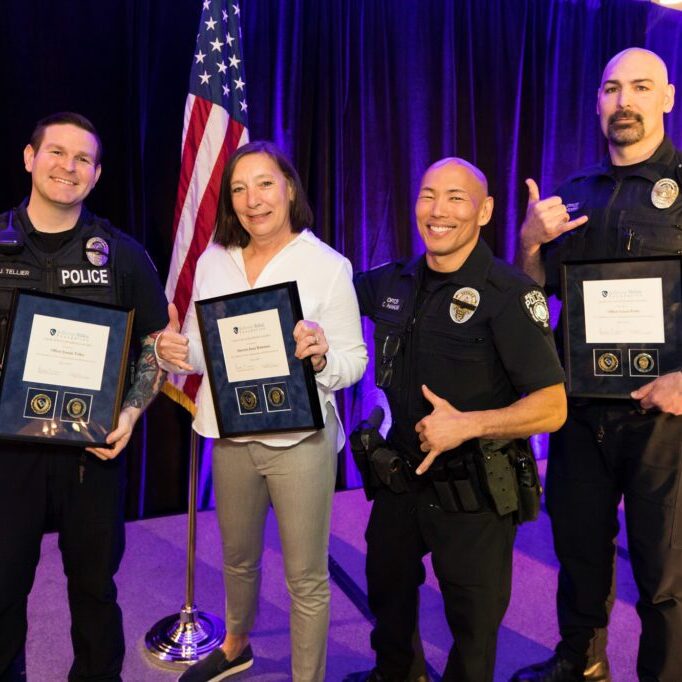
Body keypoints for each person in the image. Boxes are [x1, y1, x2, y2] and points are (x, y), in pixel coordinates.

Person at [348, 157, 567, 682]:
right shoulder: (391, 281)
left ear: (485, 211)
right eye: (428, 195)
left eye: (456, 198)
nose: (438, 210)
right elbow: (324, 297)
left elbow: (553, 407)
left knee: (472, 629)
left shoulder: (510, 295)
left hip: (473, 495)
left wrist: (467, 424)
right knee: (388, 595)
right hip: (400, 481)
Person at [155, 140, 367, 682]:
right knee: (238, 557)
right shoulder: (213, 260)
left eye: (265, 184)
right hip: (231, 435)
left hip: (299, 441)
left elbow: (354, 362)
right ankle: (235, 645)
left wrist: (320, 357)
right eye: (239, 189)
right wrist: (176, 349)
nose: (253, 200)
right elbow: (206, 351)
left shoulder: (327, 266)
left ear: (289, 188)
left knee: (305, 577)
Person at [511, 48, 682, 682]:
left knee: (663, 570)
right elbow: (534, 304)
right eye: (611, 89)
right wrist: (529, 242)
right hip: (580, 411)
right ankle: (581, 659)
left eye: (641, 87)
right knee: (578, 546)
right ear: (597, 102)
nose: (624, 101)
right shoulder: (573, 193)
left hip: (663, 417)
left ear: (667, 98)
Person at [0, 112, 169, 681]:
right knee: (0, 590)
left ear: (96, 175)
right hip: (7, 459)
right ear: (29, 158)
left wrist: (130, 410)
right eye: (56, 153)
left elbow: (155, 342)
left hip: (90, 454)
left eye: (82, 159)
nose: (67, 167)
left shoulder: (120, 254)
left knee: (95, 591)